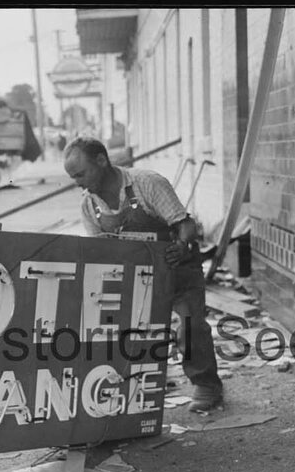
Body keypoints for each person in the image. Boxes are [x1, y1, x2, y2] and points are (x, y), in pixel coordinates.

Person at [63, 137, 223, 413]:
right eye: (73, 177)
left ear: (101, 160)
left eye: (80, 174)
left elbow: (185, 224)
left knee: (190, 325)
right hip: (134, 276)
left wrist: (182, 246)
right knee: (128, 333)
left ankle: (207, 384)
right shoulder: (89, 205)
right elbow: (99, 250)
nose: (77, 182)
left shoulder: (147, 183)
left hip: (176, 267)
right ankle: (142, 384)